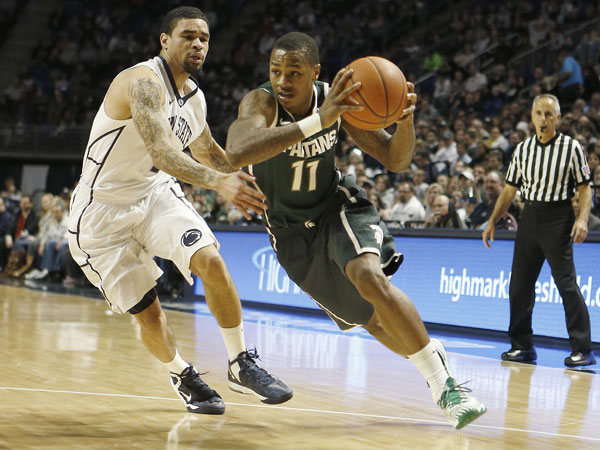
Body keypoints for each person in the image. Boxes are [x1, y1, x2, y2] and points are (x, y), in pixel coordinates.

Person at [225, 31, 486, 429]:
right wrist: (318, 122)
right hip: (291, 233)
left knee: (368, 277)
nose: (282, 81)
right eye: (276, 71)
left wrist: (405, 121)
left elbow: (395, 160)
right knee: (371, 320)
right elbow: (237, 151)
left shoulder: (336, 97)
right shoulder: (261, 102)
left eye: (294, 72)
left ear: (315, 73)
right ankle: (431, 354)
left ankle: (445, 387)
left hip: (335, 206)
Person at [67, 6, 292, 415]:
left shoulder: (195, 98)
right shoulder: (142, 82)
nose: (198, 44)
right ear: (165, 40)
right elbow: (163, 152)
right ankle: (181, 374)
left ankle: (240, 362)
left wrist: (255, 182)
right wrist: (217, 182)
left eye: (204, 38)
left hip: (155, 195)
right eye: (188, 36)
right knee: (150, 316)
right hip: (102, 214)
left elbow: (209, 152)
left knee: (212, 261)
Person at [483, 94, 595, 367]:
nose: (543, 119)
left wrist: (582, 219)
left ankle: (583, 349)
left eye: (548, 114)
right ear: (531, 116)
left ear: (558, 118)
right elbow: (509, 189)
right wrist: (492, 220)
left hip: (558, 217)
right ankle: (522, 346)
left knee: (566, 284)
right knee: (519, 285)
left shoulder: (571, 147)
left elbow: (585, 188)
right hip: (530, 215)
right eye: (538, 113)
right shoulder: (522, 149)